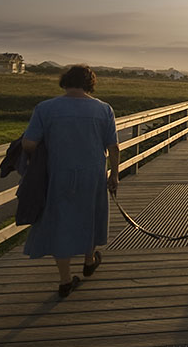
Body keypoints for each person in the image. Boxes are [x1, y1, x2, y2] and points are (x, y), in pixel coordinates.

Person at [21, 64, 120, 297]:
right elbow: (113, 147)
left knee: (60, 222)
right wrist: (114, 174)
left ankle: (65, 280)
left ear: (65, 81)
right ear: (90, 84)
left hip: (59, 174)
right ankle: (88, 261)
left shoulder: (46, 108)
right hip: (93, 174)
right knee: (91, 216)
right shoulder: (104, 109)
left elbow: (29, 144)